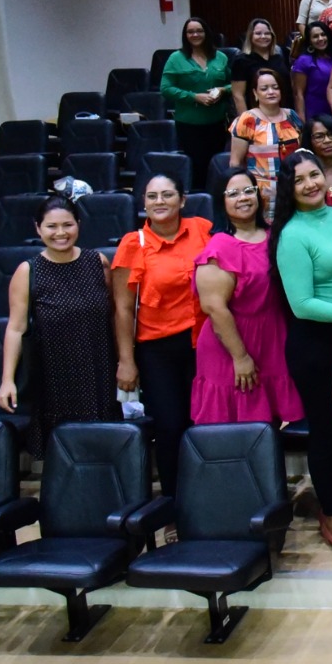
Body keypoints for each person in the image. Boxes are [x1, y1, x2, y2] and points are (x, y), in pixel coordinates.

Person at [272, 150, 332, 556]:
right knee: (328, 434)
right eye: (300, 180)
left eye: (315, 175)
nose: (311, 184)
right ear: (288, 189)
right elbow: (302, 304)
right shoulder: (292, 234)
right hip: (318, 344)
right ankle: (331, 515)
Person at [112, 174, 211, 501]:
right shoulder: (132, 243)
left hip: (203, 345)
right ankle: (174, 505)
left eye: (167, 195)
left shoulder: (201, 229)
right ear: (143, 203)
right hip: (157, 350)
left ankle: (209, 501)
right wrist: (126, 361)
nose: (159, 201)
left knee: (204, 423)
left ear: (182, 200)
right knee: (170, 427)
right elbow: (124, 309)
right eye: (152, 196)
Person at [0, 195, 119, 456]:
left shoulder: (99, 263)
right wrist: (7, 380)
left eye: (68, 225)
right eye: (51, 226)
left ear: (78, 224)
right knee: (64, 451)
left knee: (104, 446)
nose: (60, 233)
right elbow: (16, 328)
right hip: (53, 373)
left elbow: (113, 315)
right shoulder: (27, 271)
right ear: (38, 228)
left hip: (99, 369)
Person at [191, 168, 304, 426]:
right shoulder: (219, 246)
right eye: (233, 193)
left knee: (269, 426)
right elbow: (215, 308)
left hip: (273, 339)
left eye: (248, 191)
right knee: (235, 428)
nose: (242, 198)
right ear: (221, 201)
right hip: (232, 345)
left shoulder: (276, 236)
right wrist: (240, 357)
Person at [229, 67, 304, 218]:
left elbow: (302, 153)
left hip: (293, 188)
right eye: (264, 88)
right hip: (262, 193)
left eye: (275, 87)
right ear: (256, 94)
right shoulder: (247, 120)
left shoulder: (292, 116)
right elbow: (235, 163)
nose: (271, 92)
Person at [162, 17, 231, 180]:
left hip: (217, 124)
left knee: (217, 168)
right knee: (196, 170)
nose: (195, 34)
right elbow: (165, 88)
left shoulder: (220, 57)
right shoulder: (176, 58)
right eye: (190, 31)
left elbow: (234, 84)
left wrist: (222, 89)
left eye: (199, 31)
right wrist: (194, 97)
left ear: (206, 33)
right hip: (189, 125)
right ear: (185, 35)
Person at [230, 18, 290, 114]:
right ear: (250, 36)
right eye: (258, 33)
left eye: (267, 33)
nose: (263, 36)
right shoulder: (241, 61)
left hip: (283, 112)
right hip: (257, 115)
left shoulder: (279, 57)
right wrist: (246, 121)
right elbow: (238, 95)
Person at [292, 22, 332, 121]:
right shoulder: (304, 60)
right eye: (315, 36)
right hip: (314, 112)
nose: (320, 39)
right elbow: (298, 93)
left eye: (323, 35)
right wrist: (301, 120)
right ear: (309, 41)